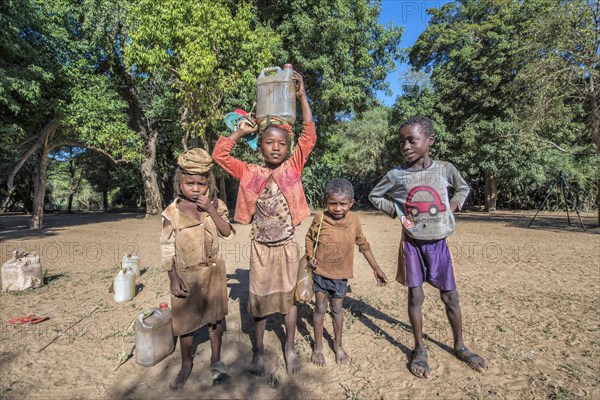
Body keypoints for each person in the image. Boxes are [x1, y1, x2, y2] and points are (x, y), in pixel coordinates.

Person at [212, 71, 315, 376]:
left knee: (289, 303)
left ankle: (290, 348)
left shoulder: (293, 167)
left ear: (288, 147)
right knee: (257, 304)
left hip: (286, 248)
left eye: (281, 144)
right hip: (259, 249)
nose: (275, 148)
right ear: (260, 147)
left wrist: (302, 96)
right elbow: (220, 154)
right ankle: (258, 352)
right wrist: (241, 132)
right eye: (268, 142)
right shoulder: (249, 172)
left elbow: (309, 135)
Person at [368, 116, 488, 378]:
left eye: (412, 140)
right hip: (412, 244)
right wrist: (399, 214)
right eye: (402, 142)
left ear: (430, 140)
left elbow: (462, 188)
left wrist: (451, 207)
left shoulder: (444, 169)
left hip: (439, 245)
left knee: (450, 297)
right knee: (415, 297)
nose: (406, 146)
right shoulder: (396, 175)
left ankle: (460, 345)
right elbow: (374, 196)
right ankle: (419, 348)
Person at [160, 148, 235, 391]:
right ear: (179, 183)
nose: (195, 188)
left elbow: (227, 232)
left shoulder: (215, 206)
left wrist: (211, 210)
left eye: (201, 184)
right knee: (185, 325)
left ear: (208, 184)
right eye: (189, 183)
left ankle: (216, 360)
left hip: (213, 273)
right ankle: (185, 365)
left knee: (215, 321)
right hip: (185, 276)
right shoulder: (172, 212)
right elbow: (167, 247)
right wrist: (172, 276)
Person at [305, 178, 388, 367]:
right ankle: (318, 347)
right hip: (320, 272)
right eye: (332, 203)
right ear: (326, 201)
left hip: (340, 276)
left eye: (343, 204)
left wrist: (376, 269)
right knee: (319, 308)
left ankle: (338, 345)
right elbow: (309, 238)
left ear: (351, 203)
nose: (337, 208)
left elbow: (364, 246)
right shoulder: (320, 218)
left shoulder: (354, 221)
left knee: (336, 309)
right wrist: (310, 257)